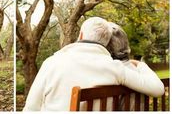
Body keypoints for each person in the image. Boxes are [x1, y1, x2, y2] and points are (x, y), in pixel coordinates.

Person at [23, 16, 164, 111]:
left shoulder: (52, 63)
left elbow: (30, 108)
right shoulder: (115, 68)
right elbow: (158, 89)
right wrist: (140, 65)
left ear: (82, 35)